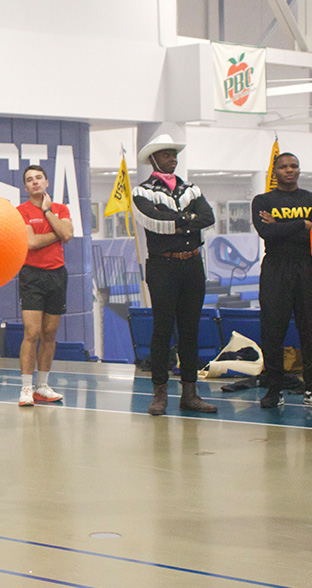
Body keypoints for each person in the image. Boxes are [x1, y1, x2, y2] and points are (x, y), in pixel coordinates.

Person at [131, 133, 217, 416]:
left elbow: (208, 218)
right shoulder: (142, 191)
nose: (172, 159)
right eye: (166, 154)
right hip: (162, 266)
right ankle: (160, 394)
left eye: (174, 154)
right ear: (154, 158)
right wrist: (189, 220)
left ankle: (190, 393)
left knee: (190, 331)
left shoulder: (191, 188)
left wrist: (180, 222)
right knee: (162, 330)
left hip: (192, 265)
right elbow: (153, 222)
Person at [251, 152, 312, 408]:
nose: (290, 170)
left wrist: (282, 225)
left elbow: (277, 231)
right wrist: (303, 224)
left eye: (294, 166)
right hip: (276, 269)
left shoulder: (309, 198)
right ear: (274, 171)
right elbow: (267, 233)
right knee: (272, 330)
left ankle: (310, 388)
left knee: (308, 330)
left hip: (306, 267)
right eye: (284, 167)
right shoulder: (263, 200)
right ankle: (274, 388)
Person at [16, 165, 73, 406]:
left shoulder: (60, 209)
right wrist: (57, 232)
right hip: (32, 276)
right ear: (26, 186)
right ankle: (26, 388)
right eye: (30, 180)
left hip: (57, 275)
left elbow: (68, 234)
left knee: (49, 333)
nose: (35, 182)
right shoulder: (21, 211)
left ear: (47, 182)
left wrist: (48, 212)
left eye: (39, 178)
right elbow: (30, 242)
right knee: (32, 333)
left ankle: (42, 385)